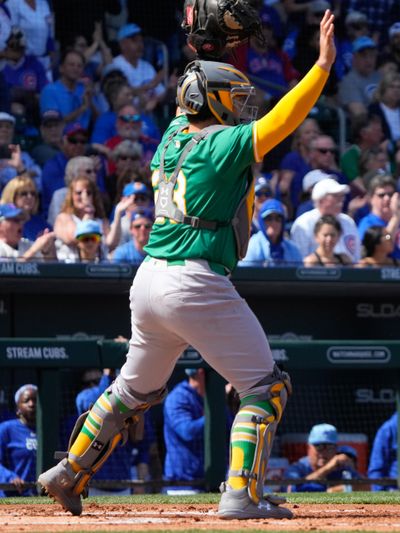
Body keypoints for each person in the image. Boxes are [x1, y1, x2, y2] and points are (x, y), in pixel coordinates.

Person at [37, 11, 337, 520]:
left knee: (135, 387)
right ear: (211, 100)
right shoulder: (222, 143)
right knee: (267, 388)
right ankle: (242, 494)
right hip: (194, 279)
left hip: (150, 278)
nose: (242, 106)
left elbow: (194, 90)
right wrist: (322, 66)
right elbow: (284, 120)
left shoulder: (173, 136)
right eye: (234, 98)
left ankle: (69, 470)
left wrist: (204, 41)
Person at [290, 178, 360, 262]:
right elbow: (300, 259)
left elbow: (356, 257)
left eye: (341, 196)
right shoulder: (304, 224)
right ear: (321, 200)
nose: (341, 200)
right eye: (335, 196)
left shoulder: (348, 222)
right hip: (315, 273)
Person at [163, 368, 206, 496]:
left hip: (210, 481)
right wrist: (214, 411)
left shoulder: (210, 395)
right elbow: (186, 431)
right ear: (201, 372)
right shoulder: (178, 397)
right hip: (183, 484)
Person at [286, 423, 362, 492]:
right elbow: (291, 490)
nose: (324, 452)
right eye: (319, 447)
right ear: (308, 448)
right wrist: (327, 469)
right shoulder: (298, 468)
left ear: (336, 448)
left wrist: (354, 478)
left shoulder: (341, 467)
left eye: (329, 447)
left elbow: (367, 486)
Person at [240, 200, 303, 267]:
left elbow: (299, 274)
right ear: (261, 221)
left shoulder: (293, 249)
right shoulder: (252, 246)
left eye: (278, 219)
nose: (273, 223)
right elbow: (244, 274)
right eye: (268, 218)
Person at [0, 385, 37, 497]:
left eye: (35, 400)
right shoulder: (6, 429)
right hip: (13, 495)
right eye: (26, 401)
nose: (32, 404)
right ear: (18, 408)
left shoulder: (48, 431)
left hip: (42, 495)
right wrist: (10, 477)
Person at [0, 175, 49, 241]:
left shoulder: (40, 222)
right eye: (24, 193)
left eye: (33, 193)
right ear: (12, 195)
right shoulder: (4, 220)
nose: (30, 197)